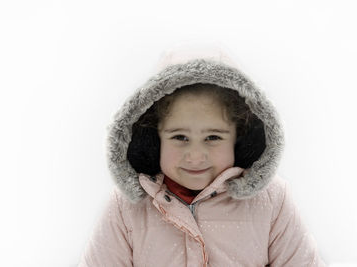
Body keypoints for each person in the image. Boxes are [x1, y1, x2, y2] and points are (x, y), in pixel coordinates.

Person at [77, 43, 327, 266]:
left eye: (213, 138)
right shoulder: (127, 207)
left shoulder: (271, 201)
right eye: (180, 137)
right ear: (154, 138)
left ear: (239, 138)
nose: (195, 156)